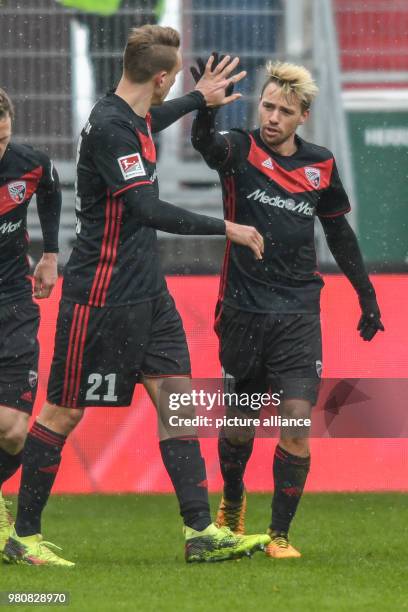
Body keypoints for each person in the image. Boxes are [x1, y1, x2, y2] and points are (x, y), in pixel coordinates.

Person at [3, 25, 269, 566]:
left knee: (177, 402)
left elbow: (154, 118)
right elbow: (147, 209)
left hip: (148, 291)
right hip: (100, 295)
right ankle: (22, 535)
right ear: (162, 76)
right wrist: (229, 227)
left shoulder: (129, 114)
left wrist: (199, 99)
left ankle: (200, 532)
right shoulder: (109, 128)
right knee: (62, 413)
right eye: (175, 83)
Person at [191, 58, 384, 558]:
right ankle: (232, 504)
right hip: (242, 310)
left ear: (304, 116)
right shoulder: (239, 148)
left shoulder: (320, 164)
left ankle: (279, 535)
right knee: (239, 424)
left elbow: (338, 231)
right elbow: (205, 146)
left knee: (297, 421)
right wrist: (205, 111)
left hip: (298, 312)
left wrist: (366, 294)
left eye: (284, 110)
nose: (272, 117)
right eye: (267, 106)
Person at [0, 89, 61, 552]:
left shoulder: (29, 163)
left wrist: (51, 253)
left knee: (15, 431)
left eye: (2, 138)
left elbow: (52, 189)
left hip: (15, 303)